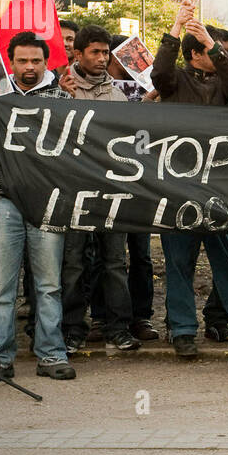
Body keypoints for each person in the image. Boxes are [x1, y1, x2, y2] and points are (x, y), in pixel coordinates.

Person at [0, 32, 77, 381]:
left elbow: (76, 153)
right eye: (22, 61)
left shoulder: (63, 97)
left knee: (48, 284)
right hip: (5, 201)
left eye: (36, 61)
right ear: (10, 62)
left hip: (48, 201)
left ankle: (51, 355)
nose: (29, 67)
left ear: (48, 62)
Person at [152, 2, 228, 357]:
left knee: (227, 261)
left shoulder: (226, 86)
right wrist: (176, 27)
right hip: (177, 187)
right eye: (212, 50)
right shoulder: (174, 81)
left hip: (218, 189)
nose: (222, 56)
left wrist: (210, 39)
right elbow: (159, 71)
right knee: (179, 262)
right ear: (195, 55)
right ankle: (182, 331)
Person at [56, 25, 138, 354]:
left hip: (111, 190)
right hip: (74, 191)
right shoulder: (61, 88)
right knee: (73, 262)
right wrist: (66, 99)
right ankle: (73, 330)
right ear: (78, 54)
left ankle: (118, 329)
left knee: (115, 261)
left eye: (106, 52)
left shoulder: (117, 94)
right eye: (95, 52)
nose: (103, 58)